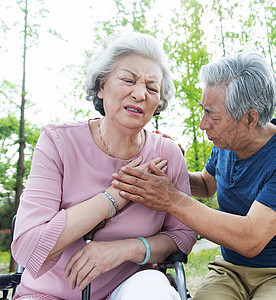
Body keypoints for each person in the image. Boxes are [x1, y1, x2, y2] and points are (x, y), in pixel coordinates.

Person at [112, 52, 276, 299]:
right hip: (231, 271)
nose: (203, 124)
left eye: (212, 115)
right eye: (203, 112)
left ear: (250, 118)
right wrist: (170, 167)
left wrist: (172, 199)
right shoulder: (226, 144)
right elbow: (207, 185)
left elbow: (251, 238)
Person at [11, 33, 196, 300]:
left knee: (153, 289)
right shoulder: (58, 142)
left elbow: (183, 237)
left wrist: (127, 249)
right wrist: (116, 196)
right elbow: (29, 247)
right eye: (128, 80)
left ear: (158, 103)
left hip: (128, 287)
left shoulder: (167, 153)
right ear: (101, 86)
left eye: (152, 88)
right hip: (48, 293)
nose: (140, 94)